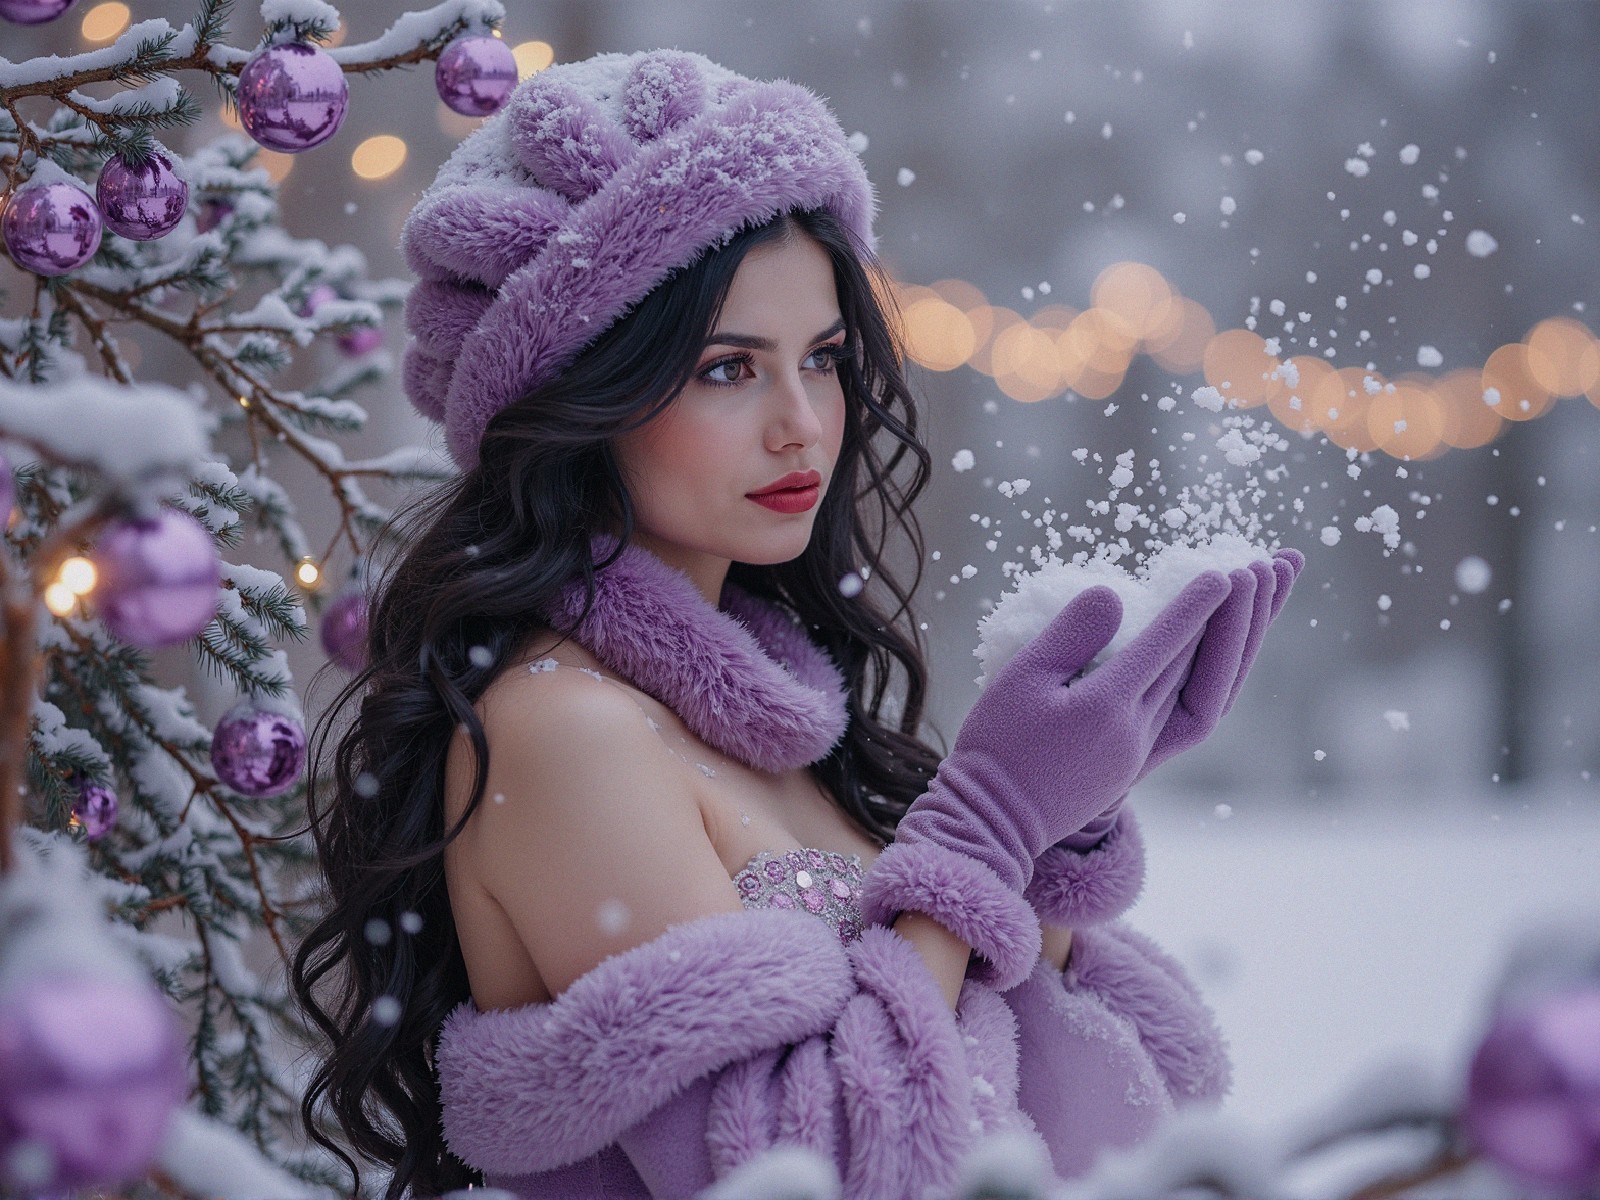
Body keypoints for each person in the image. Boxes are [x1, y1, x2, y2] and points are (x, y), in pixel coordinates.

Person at [288, 49, 1302, 1200]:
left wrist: (1058, 827)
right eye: (726, 369)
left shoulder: (784, 726)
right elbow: (809, 1172)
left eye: (820, 360)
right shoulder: (561, 733)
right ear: (576, 401)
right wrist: (986, 826)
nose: (801, 426)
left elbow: (1077, 1106)